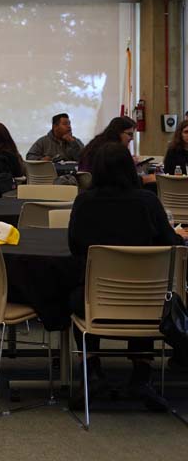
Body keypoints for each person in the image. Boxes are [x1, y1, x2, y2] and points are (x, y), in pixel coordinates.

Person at [68, 141, 186, 410]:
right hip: (150, 303)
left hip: (97, 301)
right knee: (144, 292)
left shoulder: (84, 202)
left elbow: (74, 247)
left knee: (76, 295)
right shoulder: (148, 202)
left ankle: (92, 369)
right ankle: (141, 375)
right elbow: (173, 245)